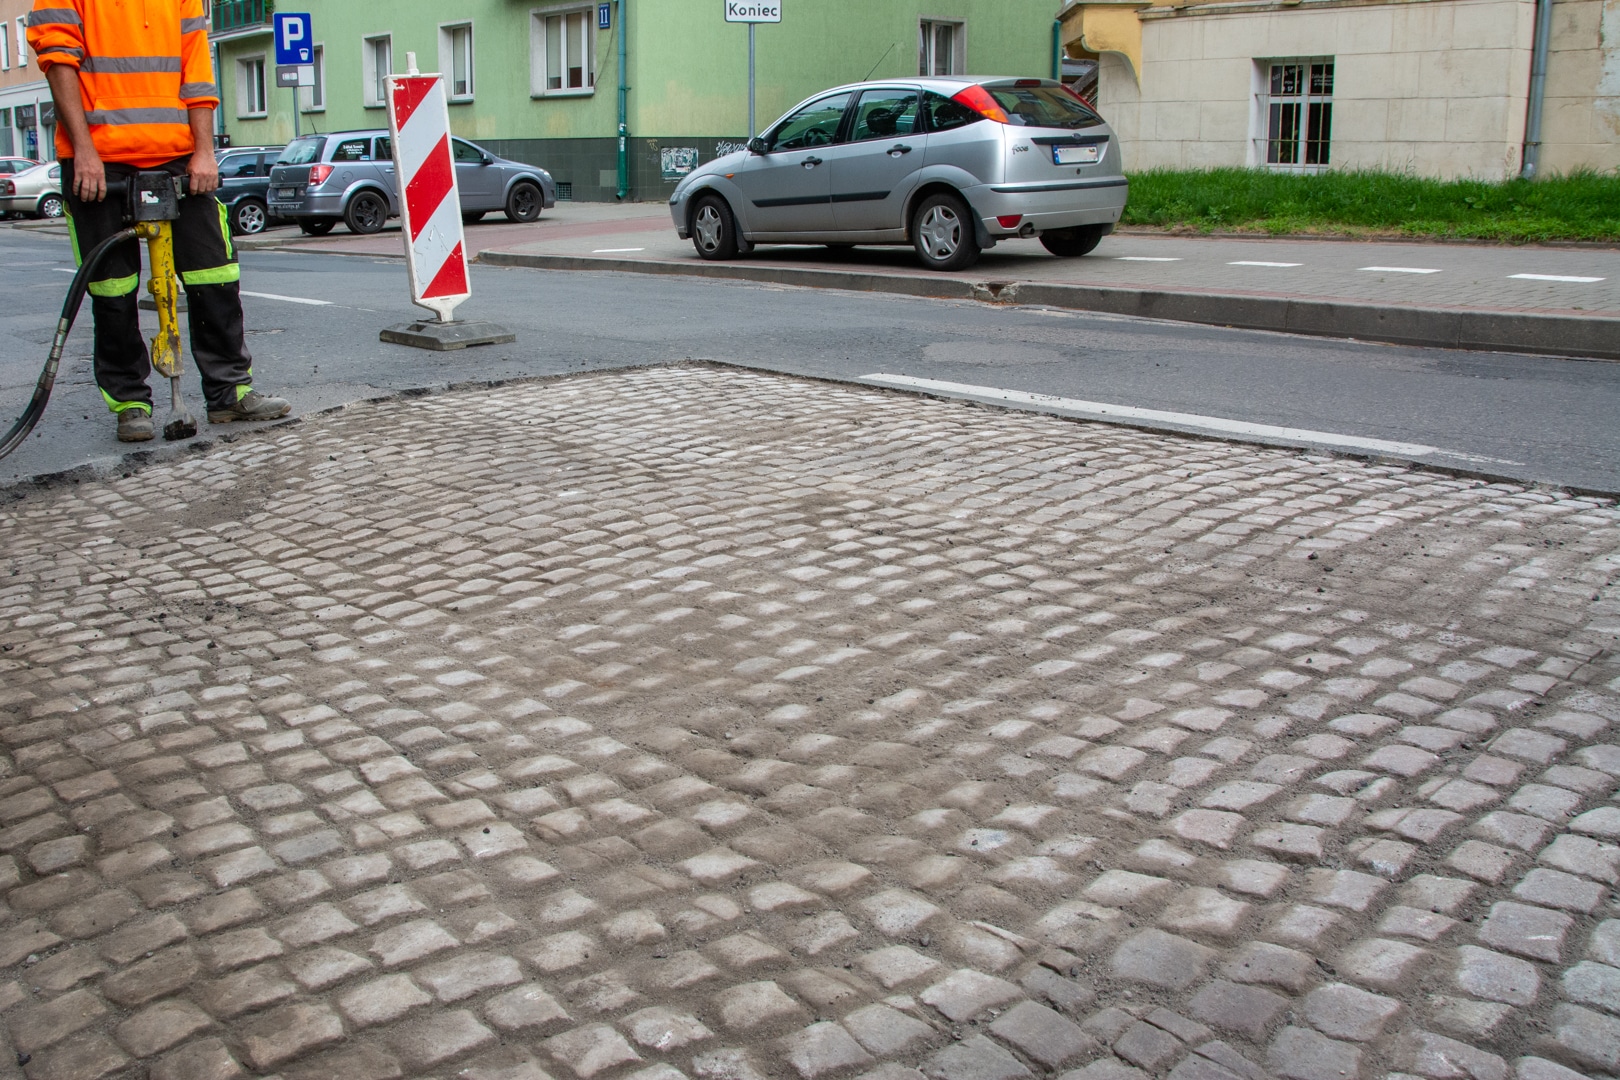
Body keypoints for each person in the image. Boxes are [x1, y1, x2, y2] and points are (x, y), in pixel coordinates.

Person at [28, 0, 289, 443]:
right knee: (113, 288)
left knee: (215, 273)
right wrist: (84, 151)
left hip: (177, 155)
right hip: (100, 159)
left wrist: (204, 152)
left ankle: (229, 393)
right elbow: (58, 63)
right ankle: (131, 402)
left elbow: (197, 73)